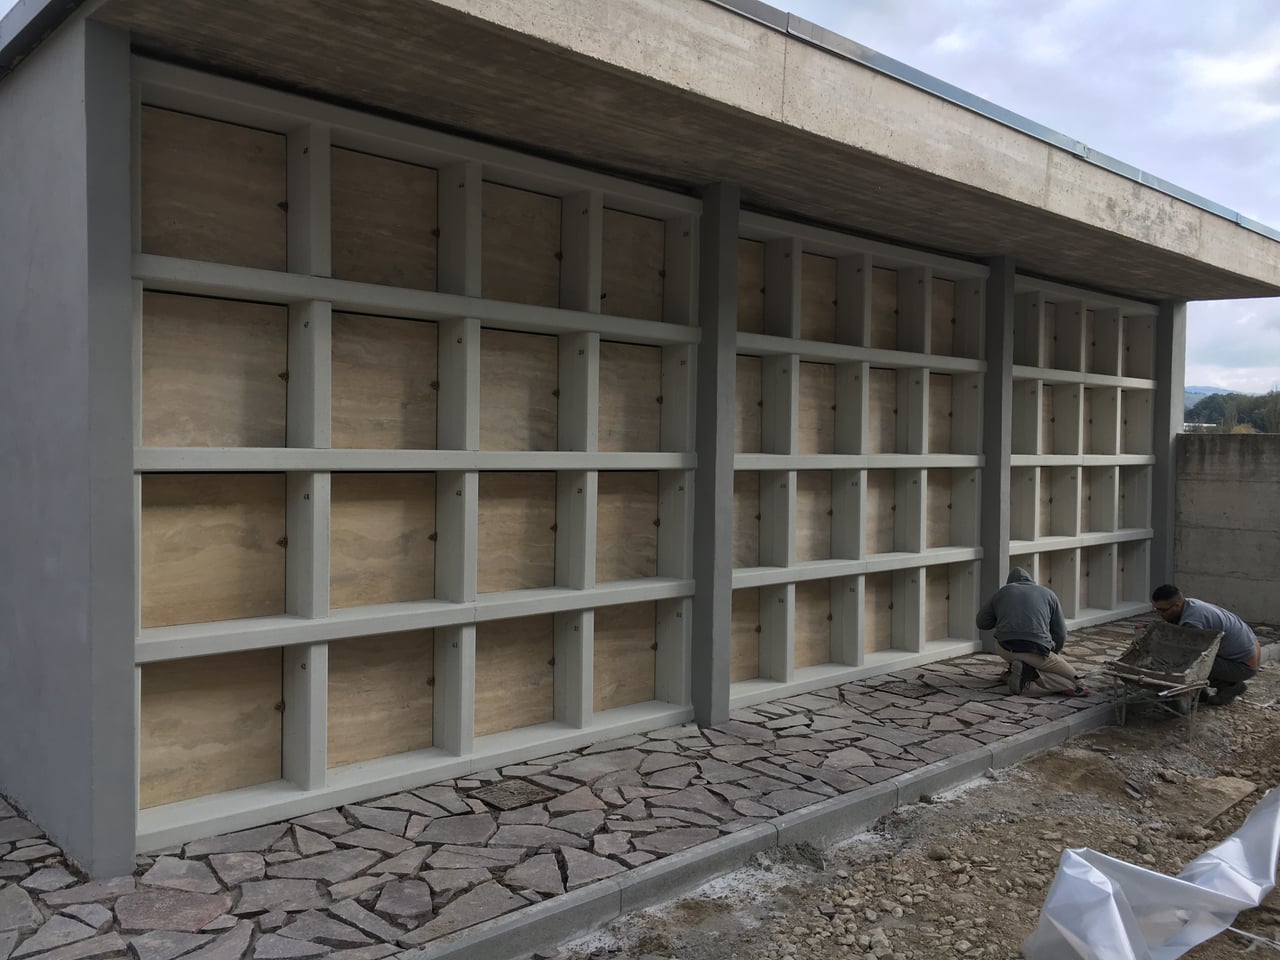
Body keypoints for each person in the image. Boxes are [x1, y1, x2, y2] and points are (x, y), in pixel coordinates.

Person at [976, 567, 1089, 697]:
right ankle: (1032, 674)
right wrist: (1053, 652)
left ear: (1010, 583)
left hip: (1005, 648)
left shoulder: (1003, 592)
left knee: (1014, 648)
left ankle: (1021, 670)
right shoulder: (1048, 594)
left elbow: (982, 622)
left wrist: (1002, 617)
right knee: (1078, 681)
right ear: (1031, 581)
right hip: (1037, 650)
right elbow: (1061, 634)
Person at [1150, 584, 1260, 705]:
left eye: (1163, 610)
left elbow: (1189, 657)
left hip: (1243, 666)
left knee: (1184, 663)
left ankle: (1229, 687)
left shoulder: (1192, 622)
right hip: (1247, 652)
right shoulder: (1190, 605)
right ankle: (1202, 693)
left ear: (1177, 605)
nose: (1159, 614)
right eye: (1156, 609)